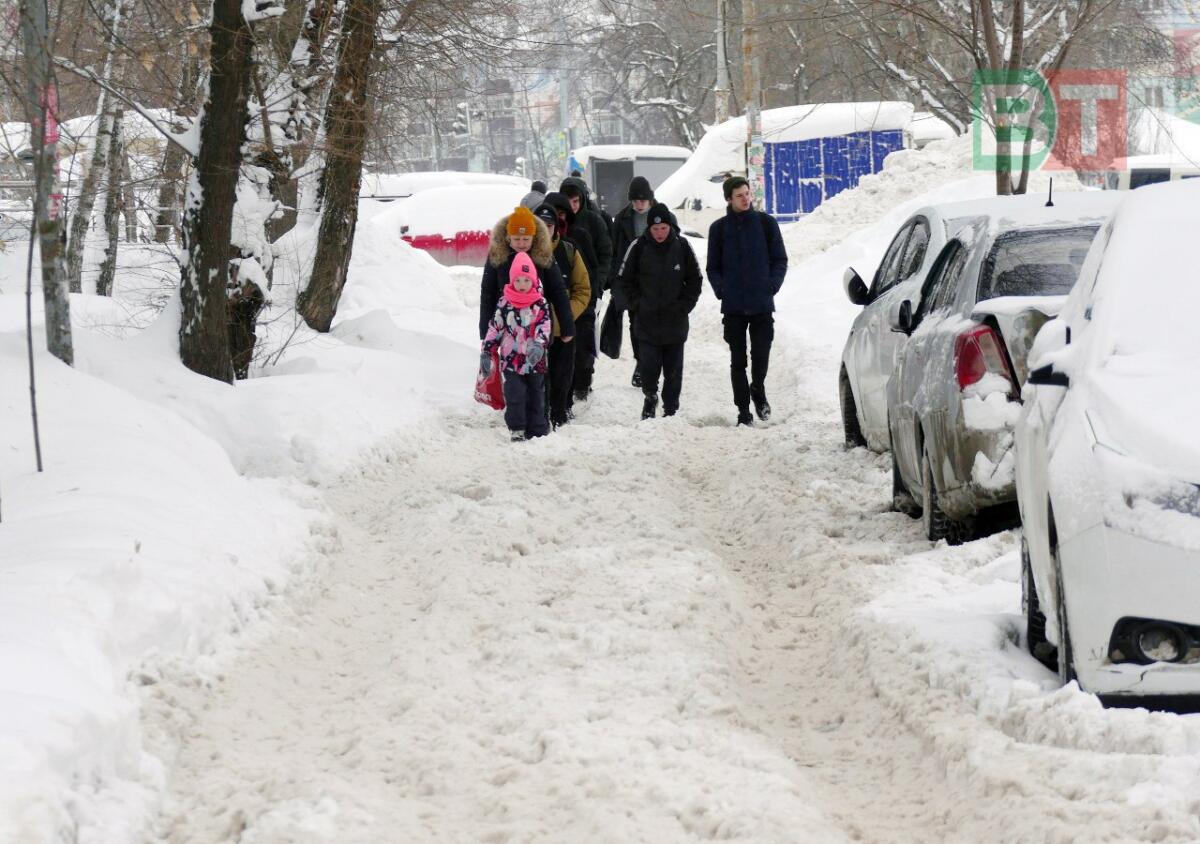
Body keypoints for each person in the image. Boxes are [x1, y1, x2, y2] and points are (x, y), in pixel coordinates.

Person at [479, 207, 575, 438]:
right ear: (508, 237)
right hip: (510, 333)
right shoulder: (498, 257)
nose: (522, 243)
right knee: (514, 383)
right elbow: (488, 292)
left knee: (538, 380)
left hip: (537, 333)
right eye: (517, 238)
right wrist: (485, 328)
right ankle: (518, 426)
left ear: (534, 237)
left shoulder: (542, 256)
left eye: (526, 238)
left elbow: (558, 292)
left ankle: (539, 424)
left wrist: (567, 325)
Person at [706, 176, 788, 427]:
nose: (745, 199)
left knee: (761, 353)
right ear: (729, 199)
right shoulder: (719, 229)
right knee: (738, 360)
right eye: (739, 195)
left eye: (747, 193)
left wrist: (771, 286)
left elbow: (780, 259)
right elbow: (713, 267)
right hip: (733, 307)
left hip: (761, 303)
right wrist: (722, 290)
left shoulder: (765, 224)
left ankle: (758, 388)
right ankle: (743, 410)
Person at [617, 202, 702, 420]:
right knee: (649, 367)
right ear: (649, 229)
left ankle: (671, 409)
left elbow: (695, 280)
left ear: (670, 227)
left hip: (675, 322)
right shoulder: (638, 247)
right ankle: (650, 397)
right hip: (647, 322)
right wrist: (638, 304)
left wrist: (684, 306)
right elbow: (624, 280)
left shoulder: (682, 247)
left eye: (663, 228)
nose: (660, 233)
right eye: (655, 229)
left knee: (674, 371)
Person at [481, 253, 552, 441]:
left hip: (534, 359)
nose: (522, 284)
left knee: (536, 394)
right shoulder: (505, 303)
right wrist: (488, 350)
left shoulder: (540, 302)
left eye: (526, 280)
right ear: (512, 281)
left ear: (533, 280)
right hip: (511, 359)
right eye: (518, 280)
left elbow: (544, 325)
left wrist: (539, 344)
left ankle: (537, 428)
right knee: (515, 394)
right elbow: (495, 326)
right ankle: (517, 429)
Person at [533, 202, 591, 428]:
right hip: (531, 330)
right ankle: (539, 412)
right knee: (536, 375)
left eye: (549, 225)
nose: (544, 229)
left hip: (562, 328)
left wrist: (566, 316)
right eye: (539, 225)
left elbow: (583, 289)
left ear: (556, 227)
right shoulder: (522, 252)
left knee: (562, 374)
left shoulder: (568, 250)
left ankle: (559, 412)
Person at [558, 177, 613, 399]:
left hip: (588, 292)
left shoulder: (593, 221)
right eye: (568, 201)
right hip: (563, 291)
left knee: (585, 340)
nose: (573, 206)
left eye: (576, 200)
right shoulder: (557, 221)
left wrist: (598, 283)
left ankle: (583, 380)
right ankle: (567, 384)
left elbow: (605, 253)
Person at [610, 176, 656, 387]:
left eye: (642, 201)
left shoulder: (661, 215)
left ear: (650, 199)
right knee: (635, 324)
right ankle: (641, 364)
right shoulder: (622, 219)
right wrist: (615, 281)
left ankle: (653, 362)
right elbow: (615, 250)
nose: (639, 205)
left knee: (656, 324)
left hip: (657, 280)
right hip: (631, 281)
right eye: (635, 201)